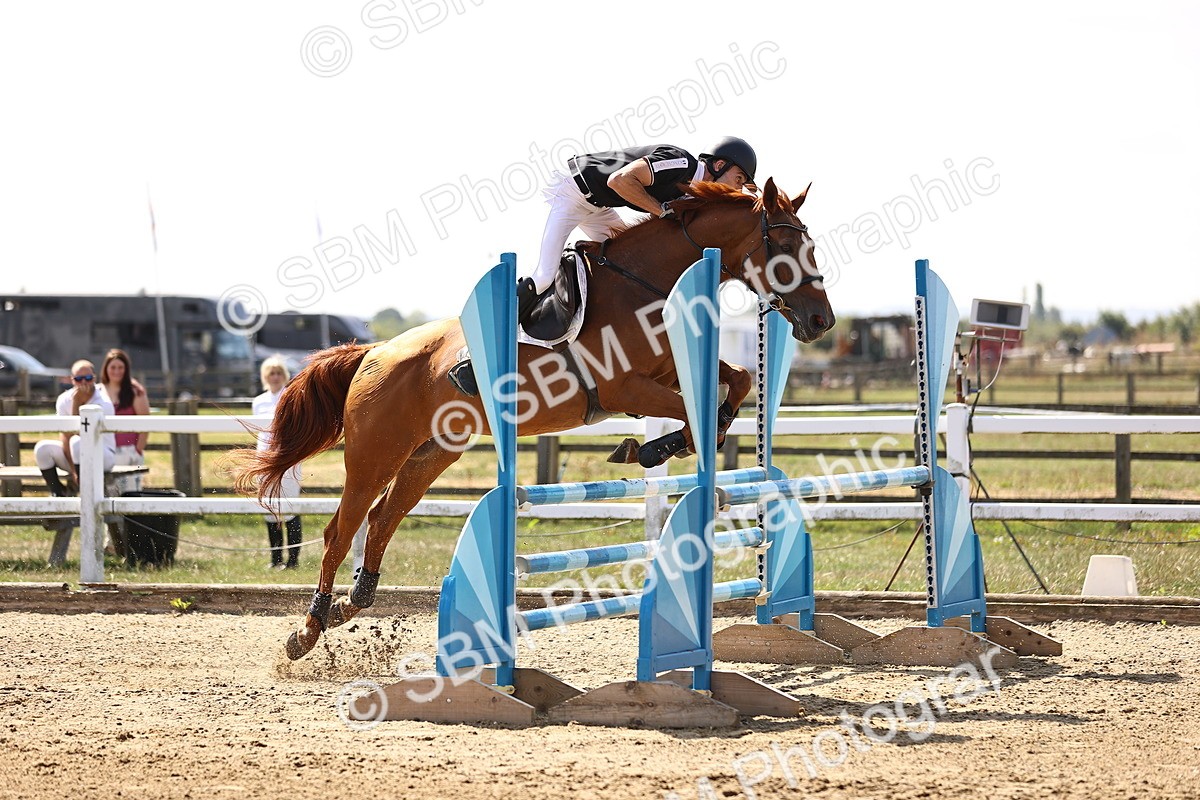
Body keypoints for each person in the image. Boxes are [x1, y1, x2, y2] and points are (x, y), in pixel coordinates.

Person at [518, 136, 758, 323]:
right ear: (719, 165)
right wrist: (661, 210)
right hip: (573, 193)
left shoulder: (691, 189)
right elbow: (619, 181)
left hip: (598, 207)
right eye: (738, 179)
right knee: (544, 276)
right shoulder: (682, 162)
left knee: (629, 266)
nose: (738, 189)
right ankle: (497, 332)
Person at [34, 360, 117, 496]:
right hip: (75, 457)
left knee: (78, 442)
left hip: (102, 455)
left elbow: (82, 436)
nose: (84, 383)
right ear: (72, 380)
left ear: (94, 379)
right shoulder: (64, 400)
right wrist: (73, 470)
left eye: (88, 378)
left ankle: (85, 494)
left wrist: (77, 404)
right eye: (79, 379)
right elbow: (66, 436)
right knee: (42, 449)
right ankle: (59, 494)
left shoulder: (104, 402)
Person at [253, 356, 303, 570]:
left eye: (278, 373)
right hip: (264, 459)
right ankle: (275, 559)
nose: (275, 377)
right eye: (271, 373)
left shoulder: (291, 398)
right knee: (269, 508)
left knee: (290, 507)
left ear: (284, 376)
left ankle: (293, 560)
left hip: (288, 458)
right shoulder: (259, 402)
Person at [99, 349, 150, 495]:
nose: (117, 371)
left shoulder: (135, 391)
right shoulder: (98, 391)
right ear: (106, 368)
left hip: (128, 450)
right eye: (113, 367)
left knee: (129, 493)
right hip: (106, 451)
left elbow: (144, 422)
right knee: (106, 493)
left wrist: (138, 449)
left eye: (120, 367)